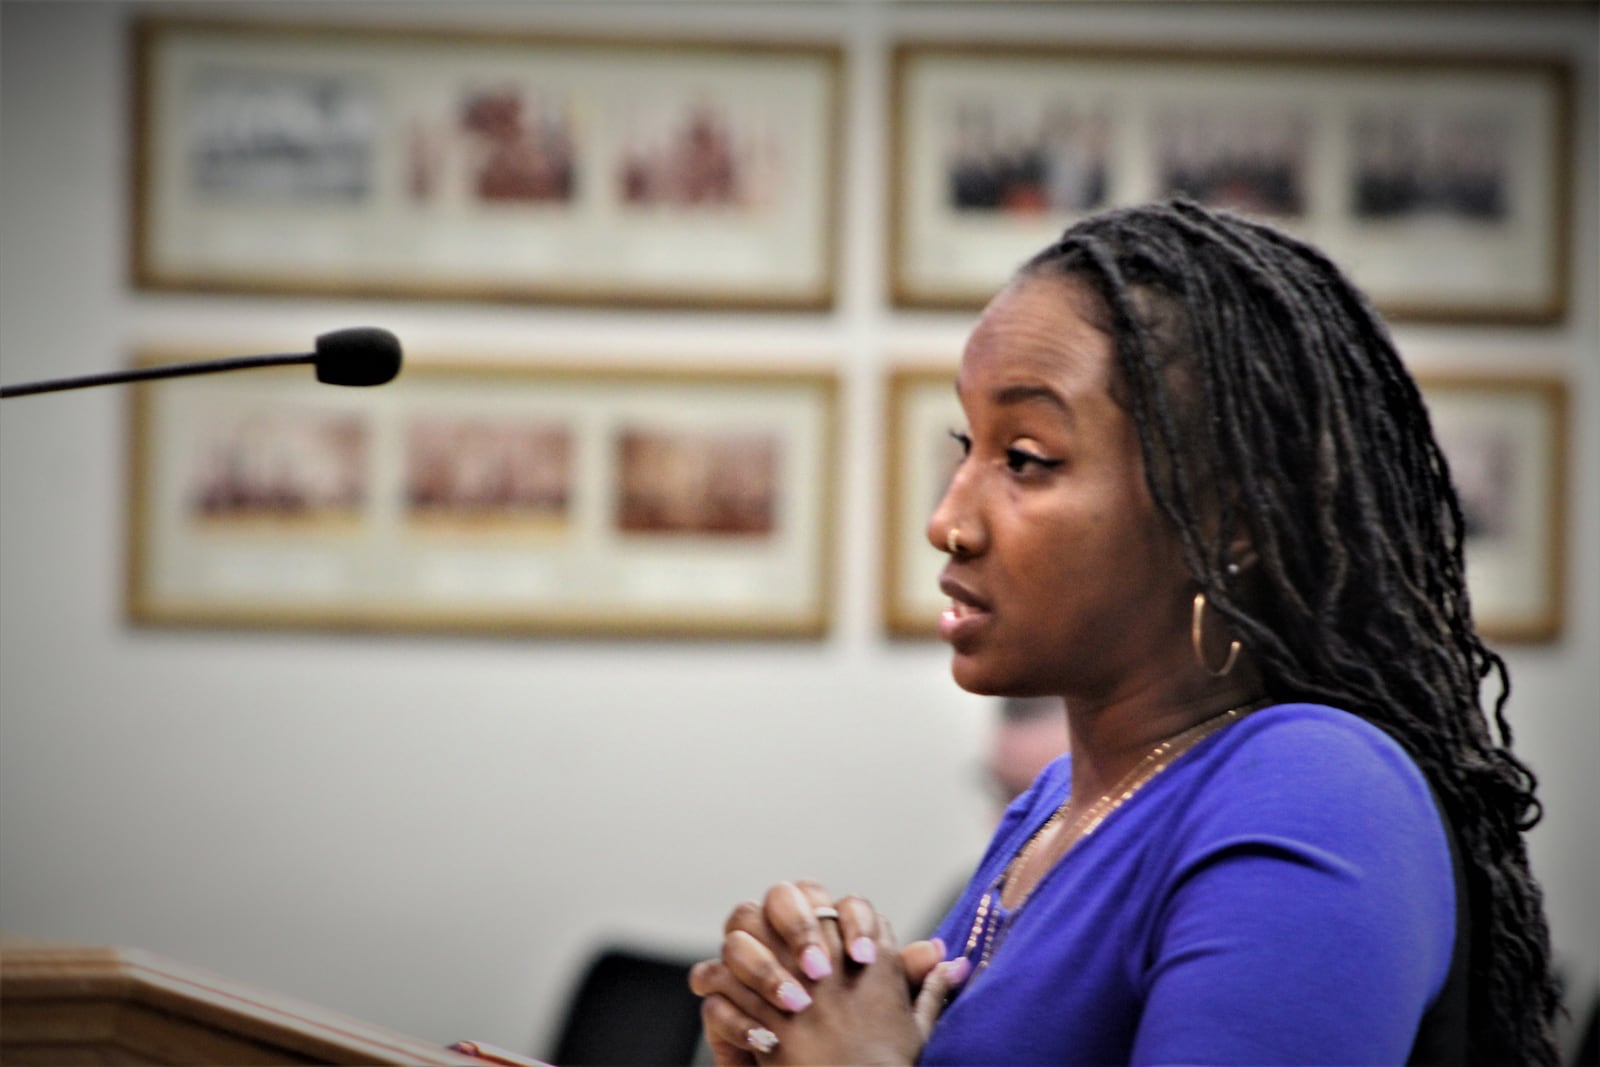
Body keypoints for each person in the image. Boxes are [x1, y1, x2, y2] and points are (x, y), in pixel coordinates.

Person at [687, 198, 1560, 1065]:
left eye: (1025, 459)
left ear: (1229, 518)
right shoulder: (1051, 811)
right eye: (967, 446)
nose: (948, 518)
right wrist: (790, 1036)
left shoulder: (1316, 789)